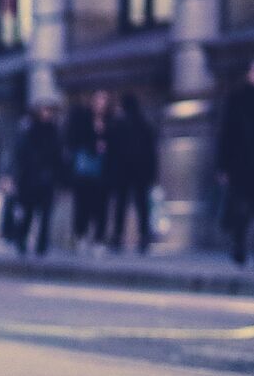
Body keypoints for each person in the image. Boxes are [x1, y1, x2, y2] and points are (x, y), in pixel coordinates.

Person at [216, 58, 254, 266]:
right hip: (241, 166)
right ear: (250, 73)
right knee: (242, 210)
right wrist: (223, 166)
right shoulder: (237, 99)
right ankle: (239, 245)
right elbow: (226, 134)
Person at [107, 92, 158, 253]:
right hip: (141, 171)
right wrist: (152, 173)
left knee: (121, 205)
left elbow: (112, 151)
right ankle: (143, 236)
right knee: (141, 205)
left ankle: (117, 236)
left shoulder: (119, 124)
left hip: (123, 172)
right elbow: (151, 152)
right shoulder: (144, 124)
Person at [13, 99, 65, 256]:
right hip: (29, 179)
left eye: (49, 111)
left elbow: (58, 156)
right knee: (28, 213)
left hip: (47, 179)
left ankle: (41, 245)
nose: (47, 114)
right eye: (44, 110)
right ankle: (21, 240)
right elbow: (20, 155)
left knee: (45, 214)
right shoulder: (28, 130)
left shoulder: (54, 131)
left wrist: (58, 176)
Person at [66, 90, 112, 252]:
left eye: (104, 101)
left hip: (103, 170)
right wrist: (94, 144)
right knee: (83, 205)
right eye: (98, 100)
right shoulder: (83, 119)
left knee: (100, 206)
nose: (101, 104)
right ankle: (81, 236)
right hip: (85, 169)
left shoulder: (110, 121)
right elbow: (74, 139)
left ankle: (99, 239)